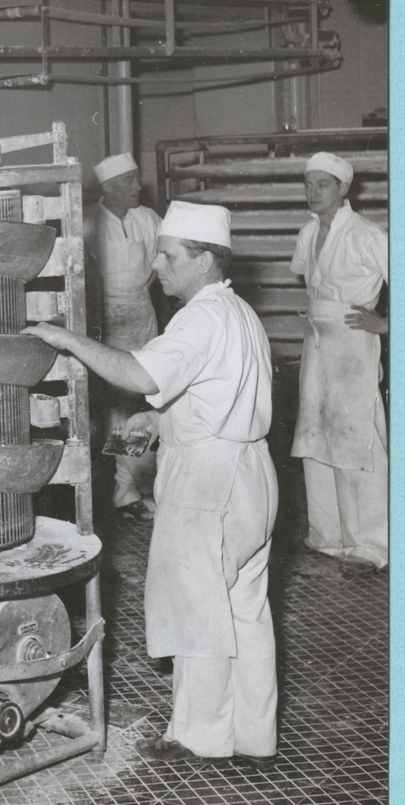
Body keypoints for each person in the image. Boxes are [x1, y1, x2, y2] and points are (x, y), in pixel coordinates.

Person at [24, 201, 278, 768]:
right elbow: (221, 393)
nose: (155, 266)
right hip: (248, 471)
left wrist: (70, 341)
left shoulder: (200, 318)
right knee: (243, 608)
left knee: (198, 608)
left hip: (207, 479)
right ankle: (253, 735)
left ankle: (200, 737)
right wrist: (161, 420)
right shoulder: (238, 312)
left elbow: (138, 372)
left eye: (168, 256)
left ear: (204, 260)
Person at [290, 152, 388, 573]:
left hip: (353, 342)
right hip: (317, 344)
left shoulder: (367, 233)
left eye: (323, 185)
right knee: (315, 436)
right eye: (308, 184)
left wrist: (385, 323)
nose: (313, 192)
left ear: (343, 188)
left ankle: (371, 544)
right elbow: (308, 279)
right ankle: (327, 535)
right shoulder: (307, 232)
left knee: (355, 437)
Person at [84, 152, 162, 521]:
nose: (137, 186)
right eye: (129, 180)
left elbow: (159, 266)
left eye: (136, 178)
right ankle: (128, 490)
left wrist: (136, 296)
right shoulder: (90, 220)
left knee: (143, 406)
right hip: (107, 320)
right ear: (108, 186)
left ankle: (131, 490)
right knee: (119, 411)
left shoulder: (147, 219)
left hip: (142, 317)